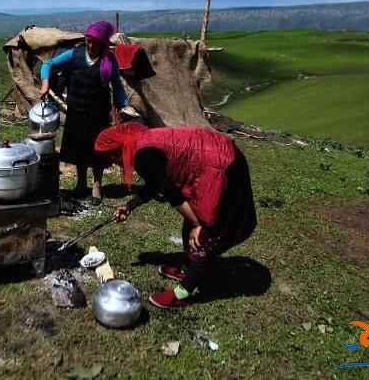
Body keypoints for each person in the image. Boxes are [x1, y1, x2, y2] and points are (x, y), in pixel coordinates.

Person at [94, 122, 256, 309]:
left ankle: (182, 293)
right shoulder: (141, 143)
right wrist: (129, 206)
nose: (114, 163)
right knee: (193, 223)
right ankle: (188, 268)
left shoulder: (143, 155)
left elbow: (172, 194)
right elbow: (156, 183)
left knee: (206, 235)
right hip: (216, 156)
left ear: (116, 151)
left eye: (112, 159)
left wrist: (197, 224)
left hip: (224, 166)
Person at [39, 21, 129, 203]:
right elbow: (48, 64)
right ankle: (81, 184)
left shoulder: (108, 61)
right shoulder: (74, 54)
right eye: (88, 41)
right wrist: (45, 83)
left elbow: (118, 87)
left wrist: (125, 104)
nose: (90, 45)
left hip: (99, 112)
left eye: (95, 42)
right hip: (77, 110)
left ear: (103, 43)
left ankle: (96, 185)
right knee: (79, 147)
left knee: (98, 149)